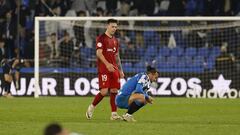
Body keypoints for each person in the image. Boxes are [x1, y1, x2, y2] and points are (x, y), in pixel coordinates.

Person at [86, 19, 124, 120]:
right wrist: (107, 64)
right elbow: (99, 53)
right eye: (112, 26)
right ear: (107, 26)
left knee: (114, 90)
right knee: (103, 91)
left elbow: (117, 56)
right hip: (104, 68)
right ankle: (92, 107)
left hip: (114, 68)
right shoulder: (101, 38)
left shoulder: (115, 40)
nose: (114, 29)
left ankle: (114, 114)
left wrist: (120, 70)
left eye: (116, 27)